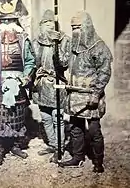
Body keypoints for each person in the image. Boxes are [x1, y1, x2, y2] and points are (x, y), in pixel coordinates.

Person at [0, 0, 36, 165]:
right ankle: (0, 149)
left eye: (11, 20)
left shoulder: (24, 39)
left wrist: (25, 77)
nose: (8, 23)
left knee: (18, 116)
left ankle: (16, 145)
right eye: (4, 20)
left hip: (19, 85)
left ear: (15, 21)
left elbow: (31, 61)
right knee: (1, 119)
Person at [58, 11, 113, 173]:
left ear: (87, 27)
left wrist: (96, 93)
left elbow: (104, 72)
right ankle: (77, 157)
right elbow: (62, 64)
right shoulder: (72, 47)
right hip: (74, 96)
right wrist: (56, 45)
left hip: (91, 96)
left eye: (78, 27)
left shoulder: (98, 47)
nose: (75, 31)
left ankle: (98, 161)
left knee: (94, 130)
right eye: (73, 27)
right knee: (75, 128)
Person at [32, 10, 71, 162]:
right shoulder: (36, 42)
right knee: (45, 117)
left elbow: (64, 64)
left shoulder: (65, 40)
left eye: (51, 24)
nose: (48, 27)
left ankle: (59, 149)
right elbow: (33, 63)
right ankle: (54, 144)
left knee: (57, 118)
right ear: (41, 26)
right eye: (45, 24)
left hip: (57, 83)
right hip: (41, 84)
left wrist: (56, 46)